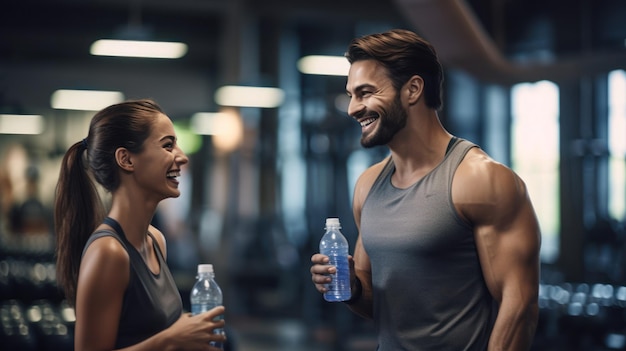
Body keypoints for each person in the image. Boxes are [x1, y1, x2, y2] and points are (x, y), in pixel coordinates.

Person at [310, 29, 541, 350]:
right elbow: (375, 304)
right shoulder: (367, 185)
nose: (352, 108)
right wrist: (351, 287)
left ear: (413, 89)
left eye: (365, 92)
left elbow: (519, 307)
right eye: (351, 95)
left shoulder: (481, 179)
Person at [54, 99, 227, 350]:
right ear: (126, 159)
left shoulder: (155, 240)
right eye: (168, 145)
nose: (183, 157)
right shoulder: (109, 253)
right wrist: (171, 340)